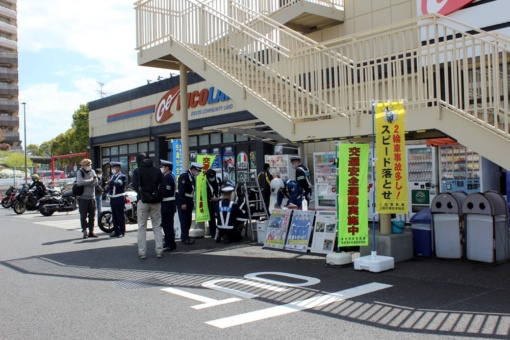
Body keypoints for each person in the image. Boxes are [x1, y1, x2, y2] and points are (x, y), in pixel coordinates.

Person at [131, 153, 165, 259]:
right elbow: (163, 184)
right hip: (156, 201)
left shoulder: (137, 171)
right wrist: (158, 195)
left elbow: (135, 185)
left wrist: (142, 194)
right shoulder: (156, 170)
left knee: (141, 227)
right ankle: (159, 250)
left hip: (143, 201)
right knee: (157, 226)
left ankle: (142, 252)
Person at [177, 162, 204, 245]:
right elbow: (181, 191)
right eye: (197, 170)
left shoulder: (191, 176)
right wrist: (183, 203)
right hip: (184, 201)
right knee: (184, 221)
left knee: (188, 221)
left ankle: (186, 237)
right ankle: (184, 238)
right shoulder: (184, 176)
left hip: (189, 200)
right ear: (193, 169)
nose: (198, 172)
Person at [76, 159, 99, 239]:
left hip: (92, 197)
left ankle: (91, 231)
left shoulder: (92, 171)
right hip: (83, 198)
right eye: (87, 165)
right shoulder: (80, 172)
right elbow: (79, 182)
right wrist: (91, 181)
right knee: (83, 216)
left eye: (90, 165)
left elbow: (96, 182)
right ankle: (84, 231)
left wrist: (87, 182)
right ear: (83, 166)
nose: (89, 166)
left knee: (92, 216)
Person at [105, 162, 126, 238]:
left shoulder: (122, 176)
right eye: (113, 168)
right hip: (113, 198)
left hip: (119, 198)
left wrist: (111, 182)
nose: (113, 169)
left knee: (120, 216)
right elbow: (112, 186)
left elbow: (119, 183)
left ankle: (121, 231)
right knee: (114, 216)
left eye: (114, 168)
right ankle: (116, 231)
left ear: (118, 168)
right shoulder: (113, 176)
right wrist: (107, 186)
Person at [160, 159, 177, 252]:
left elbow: (166, 191)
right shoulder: (169, 176)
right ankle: (167, 241)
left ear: (167, 168)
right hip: (168, 204)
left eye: (163, 166)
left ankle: (171, 244)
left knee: (168, 226)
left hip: (167, 204)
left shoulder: (167, 177)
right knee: (166, 225)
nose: (161, 168)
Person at [205, 168, 221, 240]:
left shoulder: (218, 180)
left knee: (220, 216)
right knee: (211, 218)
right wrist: (210, 198)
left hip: (219, 200)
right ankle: (213, 233)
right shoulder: (205, 182)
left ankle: (220, 231)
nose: (212, 178)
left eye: (213, 177)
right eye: (210, 177)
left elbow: (221, 189)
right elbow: (205, 193)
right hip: (210, 201)